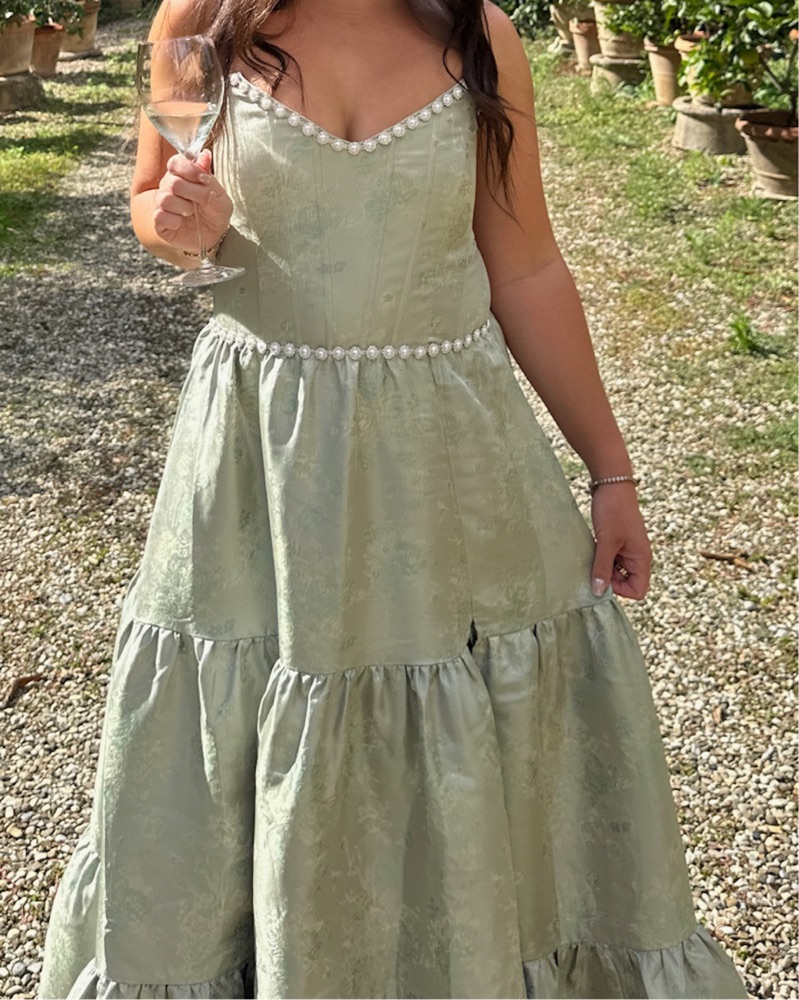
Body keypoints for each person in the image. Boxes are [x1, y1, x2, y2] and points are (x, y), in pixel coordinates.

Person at [39, 0, 750, 997]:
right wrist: (175, 224)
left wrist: (610, 470)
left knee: (468, 709)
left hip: (450, 456)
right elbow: (154, 203)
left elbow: (527, 268)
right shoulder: (197, 20)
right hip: (261, 464)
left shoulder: (477, 35)